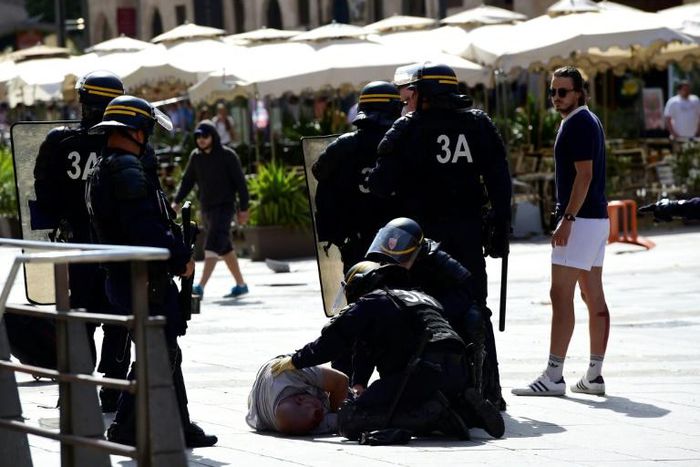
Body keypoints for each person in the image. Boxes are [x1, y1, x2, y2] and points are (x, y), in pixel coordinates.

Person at [367, 62, 512, 409]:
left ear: (424, 94)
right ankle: (488, 391)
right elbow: (500, 180)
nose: (407, 100)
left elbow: (380, 185)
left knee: (425, 310)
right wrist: (500, 226)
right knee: (476, 307)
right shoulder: (478, 124)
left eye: (411, 94)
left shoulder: (406, 129)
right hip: (467, 234)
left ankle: (432, 389)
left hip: (422, 244)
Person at [86, 95, 217, 447]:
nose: (149, 137)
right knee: (156, 351)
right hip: (141, 278)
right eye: (146, 130)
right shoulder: (125, 168)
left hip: (131, 276)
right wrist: (179, 257)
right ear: (134, 131)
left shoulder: (109, 166)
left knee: (165, 348)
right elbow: (144, 227)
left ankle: (181, 425)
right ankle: (125, 427)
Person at [270, 261, 504, 441]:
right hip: (458, 372)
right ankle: (464, 410)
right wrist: (359, 382)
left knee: (350, 420)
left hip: (421, 372)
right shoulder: (419, 297)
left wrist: (296, 360)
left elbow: (334, 340)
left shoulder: (372, 301)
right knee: (392, 397)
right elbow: (367, 345)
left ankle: (436, 416)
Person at [31, 70, 130, 412]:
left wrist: (65, 220)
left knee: (79, 321)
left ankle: (75, 388)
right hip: (118, 250)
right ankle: (113, 389)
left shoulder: (60, 141)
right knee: (121, 319)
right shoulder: (125, 142)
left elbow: (43, 193)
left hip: (76, 251)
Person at [513, 66, 610, 397]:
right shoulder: (587, 120)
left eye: (563, 92)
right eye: (553, 91)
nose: (556, 97)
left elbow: (584, 175)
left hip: (581, 220)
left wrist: (567, 218)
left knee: (561, 295)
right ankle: (593, 376)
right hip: (596, 219)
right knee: (591, 294)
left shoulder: (580, 123)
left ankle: (553, 375)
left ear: (579, 92)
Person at [365, 217, 487, 395]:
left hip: (439, 314)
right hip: (403, 316)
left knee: (474, 317)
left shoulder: (437, 258)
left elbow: (469, 287)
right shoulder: (385, 264)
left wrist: (436, 308)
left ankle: (477, 389)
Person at [311, 81, 402, 271]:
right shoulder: (405, 143)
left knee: (359, 292)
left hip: (355, 239)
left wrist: (335, 235)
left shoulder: (342, 146)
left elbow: (319, 175)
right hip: (398, 237)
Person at [171, 120, 250, 299]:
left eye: (205, 136)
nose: (201, 140)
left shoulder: (228, 155)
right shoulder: (196, 157)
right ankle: (241, 284)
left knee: (213, 243)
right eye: (198, 136)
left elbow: (241, 184)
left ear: (213, 136)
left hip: (225, 207)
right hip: (207, 208)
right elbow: (187, 182)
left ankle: (200, 286)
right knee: (225, 248)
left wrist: (244, 208)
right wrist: (176, 202)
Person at [246, 358, 349, 435]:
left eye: (318, 412)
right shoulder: (305, 425)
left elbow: (341, 381)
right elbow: (339, 421)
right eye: (316, 423)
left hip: (279, 366)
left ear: (301, 399)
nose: (322, 416)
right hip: (261, 393)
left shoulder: (291, 373)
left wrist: (338, 410)